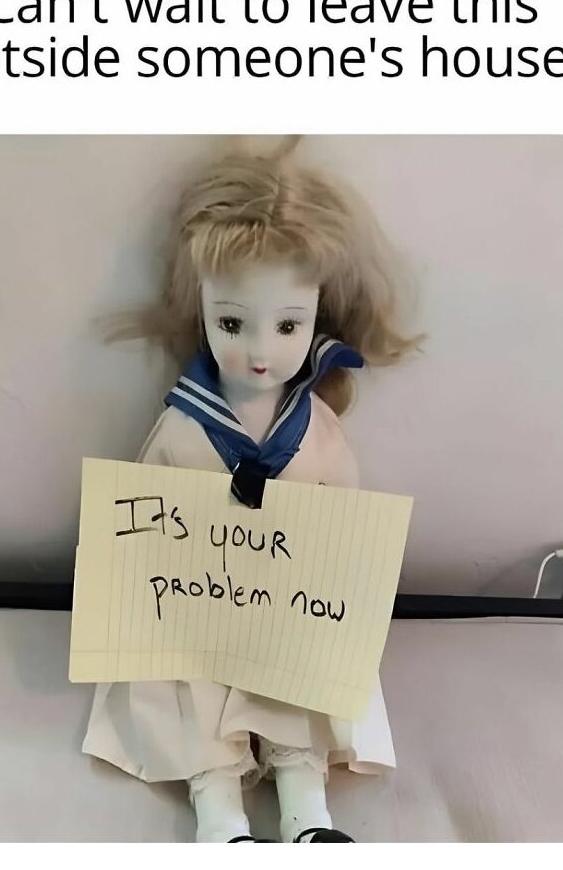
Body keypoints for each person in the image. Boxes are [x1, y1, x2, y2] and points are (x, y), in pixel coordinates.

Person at [82, 137, 422, 842]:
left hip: (288, 605)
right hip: (196, 611)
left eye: (288, 324)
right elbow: (140, 524)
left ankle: (307, 812)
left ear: (318, 319)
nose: (261, 352)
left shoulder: (317, 429)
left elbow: (347, 521)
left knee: (304, 678)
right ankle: (220, 818)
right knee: (187, 692)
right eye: (232, 322)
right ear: (202, 311)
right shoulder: (182, 428)